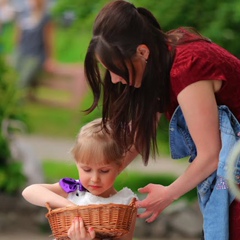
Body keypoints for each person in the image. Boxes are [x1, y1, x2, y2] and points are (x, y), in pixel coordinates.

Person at [83, 0, 240, 239]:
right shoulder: (160, 61)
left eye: (116, 69)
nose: (114, 80)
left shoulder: (186, 68)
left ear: (142, 52)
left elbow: (210, 155)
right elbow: (138, 139)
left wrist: (168, 194)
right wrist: (91, 184)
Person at [22, 118, 137, 240]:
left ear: (119, 166)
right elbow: (29, 191)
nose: (95, 178)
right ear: (77, 164)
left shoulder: (126, 205)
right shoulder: (73, 190)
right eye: (87, 170)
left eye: (104, 171)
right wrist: (68, 205)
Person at [13, 0, 55, 94]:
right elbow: (18, 37)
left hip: (35, 55)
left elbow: (48, 40)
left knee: (22, 81)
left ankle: (16, 104)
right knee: (11, 77)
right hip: (21, 52)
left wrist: (49, 59)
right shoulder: (24, 14)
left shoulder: (46, 17)